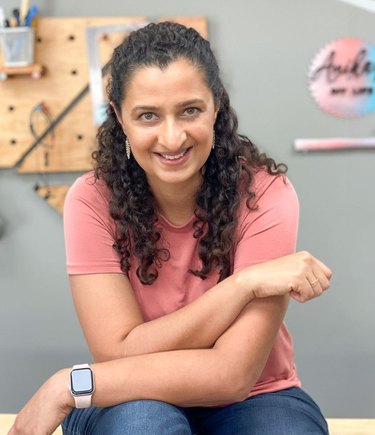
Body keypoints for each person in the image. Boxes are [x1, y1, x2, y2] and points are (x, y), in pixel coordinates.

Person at [9, 21, 332, 435]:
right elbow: (116, 350)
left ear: (217, 105)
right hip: (131, 396)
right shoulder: (91, 199)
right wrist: (242, 285)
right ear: (119, 116)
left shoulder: (265, 194)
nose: (172, 137)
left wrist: (70, 385)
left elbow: (232, 375)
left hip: (257, 395)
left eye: (190, 110)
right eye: (147, 116)